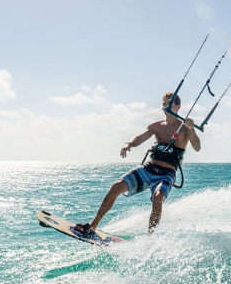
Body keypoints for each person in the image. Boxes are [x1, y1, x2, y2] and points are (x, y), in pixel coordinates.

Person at [74, 92, 201, 235]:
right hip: (149, 168)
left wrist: (191, 129)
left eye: (168, 105)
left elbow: (197, 147)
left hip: (166, 174)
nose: (164, 108)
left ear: (178, 107)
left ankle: (149, 240)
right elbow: (140, 137)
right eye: (163, 104)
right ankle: (92, 226)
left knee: (158, 198)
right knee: (116, 186)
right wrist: (129, 144)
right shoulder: (156, 126)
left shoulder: (185, 128)